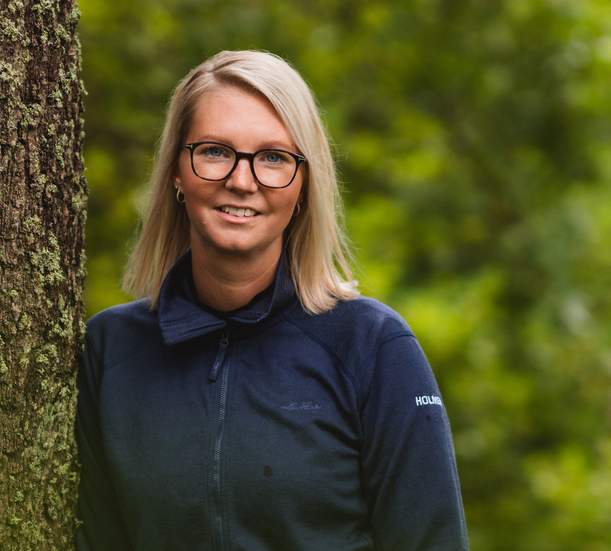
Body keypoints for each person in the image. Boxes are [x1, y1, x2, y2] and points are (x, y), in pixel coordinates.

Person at [76, 50, 469, 550]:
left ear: (304, 185)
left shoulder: (372, 346)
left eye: (274, 158)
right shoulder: (110, 351)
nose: (242, 181)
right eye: (215, 150)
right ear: (177, 170)